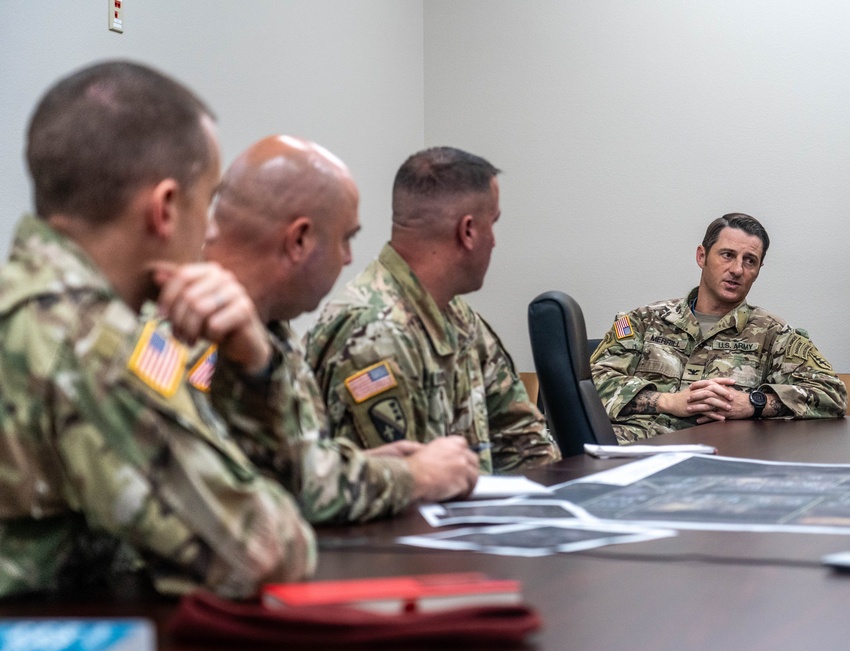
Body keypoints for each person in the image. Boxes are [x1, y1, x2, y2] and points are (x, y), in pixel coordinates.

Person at [0, 61, 314, 599]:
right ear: (166, 208)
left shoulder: (28, 303)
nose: (212, 229)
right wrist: (252, 370)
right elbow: (268, 553)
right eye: (209, 200)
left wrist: (253, 365)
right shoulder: (87, 343)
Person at [202, 135, 479, 522]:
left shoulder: (271, 328)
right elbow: (232, 502)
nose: (349, 258)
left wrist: (358, 465)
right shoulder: (195, 329)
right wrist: (411, 477)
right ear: (299, 240)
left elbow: (278, 469)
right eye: (345, 239)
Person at [305, 147, 560, 473]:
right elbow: (401, 494)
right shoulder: (373, 332)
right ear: (467, 231)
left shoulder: (456, 315)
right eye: (492, 224)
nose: (494, 241)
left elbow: (523, 441)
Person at [591, 213, 847, 443]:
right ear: (702, 256)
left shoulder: (773, 334)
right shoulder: (643, 321)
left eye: (750, 261)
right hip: (622, 453)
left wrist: (753, 403)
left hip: (714, 463)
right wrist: (668, 401)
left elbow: (832, 395)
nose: (737, 269)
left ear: (758, 270)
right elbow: (589, 384)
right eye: (727, 255)